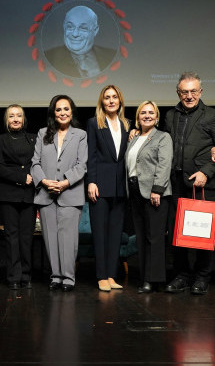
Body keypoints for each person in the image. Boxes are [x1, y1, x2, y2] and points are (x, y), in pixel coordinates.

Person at [163, 72, 215, 295]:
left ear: (201, 92)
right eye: (185, 92)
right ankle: (182, 274)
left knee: (202, 233)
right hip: (176, 184)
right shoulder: (170, 115)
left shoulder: (212, 115)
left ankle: (202, 277)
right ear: (178, 93)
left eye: (194, 91)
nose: (189, 96)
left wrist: (206, 172)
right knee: (177, 233)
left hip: (201, 184)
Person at [31, 95, 88, 292]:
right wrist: (45, 182)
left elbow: (82, 165)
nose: (62, 113)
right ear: (53, 113)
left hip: (70, 193)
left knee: (68, 239)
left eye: (66, 109)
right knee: (50, 238)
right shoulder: (42, 133)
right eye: (58, 110)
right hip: (46, 195)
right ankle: (55, 276)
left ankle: (68, 278)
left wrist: (64, 182)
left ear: (71, 112)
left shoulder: (80, 134)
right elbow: (35, 163)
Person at [86, 85, 130, 292]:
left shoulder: (128, 125)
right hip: (100, 186)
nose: (111, 101)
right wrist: (91, 182)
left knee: (115, 233)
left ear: (120, 100)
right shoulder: (94, 124)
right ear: (101, 102)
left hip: (121, 187)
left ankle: (112, 275)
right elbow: (91, 155)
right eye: (107, 98)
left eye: (114, 97)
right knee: (100, 234)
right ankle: (101, 276)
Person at [126, 101, 172, 293]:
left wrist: (157, 190)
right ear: (137, 117)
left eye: (151, 113)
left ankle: (153, 280)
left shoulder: (163, 137)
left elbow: (164, 164)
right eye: (143, 112)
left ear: (157, 117)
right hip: (135, 191)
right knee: (142, 237)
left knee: (154, 237)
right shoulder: (134, 138)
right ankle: (146, 277)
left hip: (155, 192)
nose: (147, 115)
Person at [0, 105, 37, 290]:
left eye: (19, 115)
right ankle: (13, 277)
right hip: (8, 194)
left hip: (30, 195)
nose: (16, 119)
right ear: (7, 120)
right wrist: (22, 177)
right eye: (12, 116)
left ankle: (26, 276)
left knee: (27, 237)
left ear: (24, 118)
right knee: (11, 237)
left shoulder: (35, 138)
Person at [44, 5, 116, 78]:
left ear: (95, 30)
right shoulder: (48, 59)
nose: (75, 34)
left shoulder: (112, 56)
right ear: (64, 27)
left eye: (83, 28)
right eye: (70, 27)